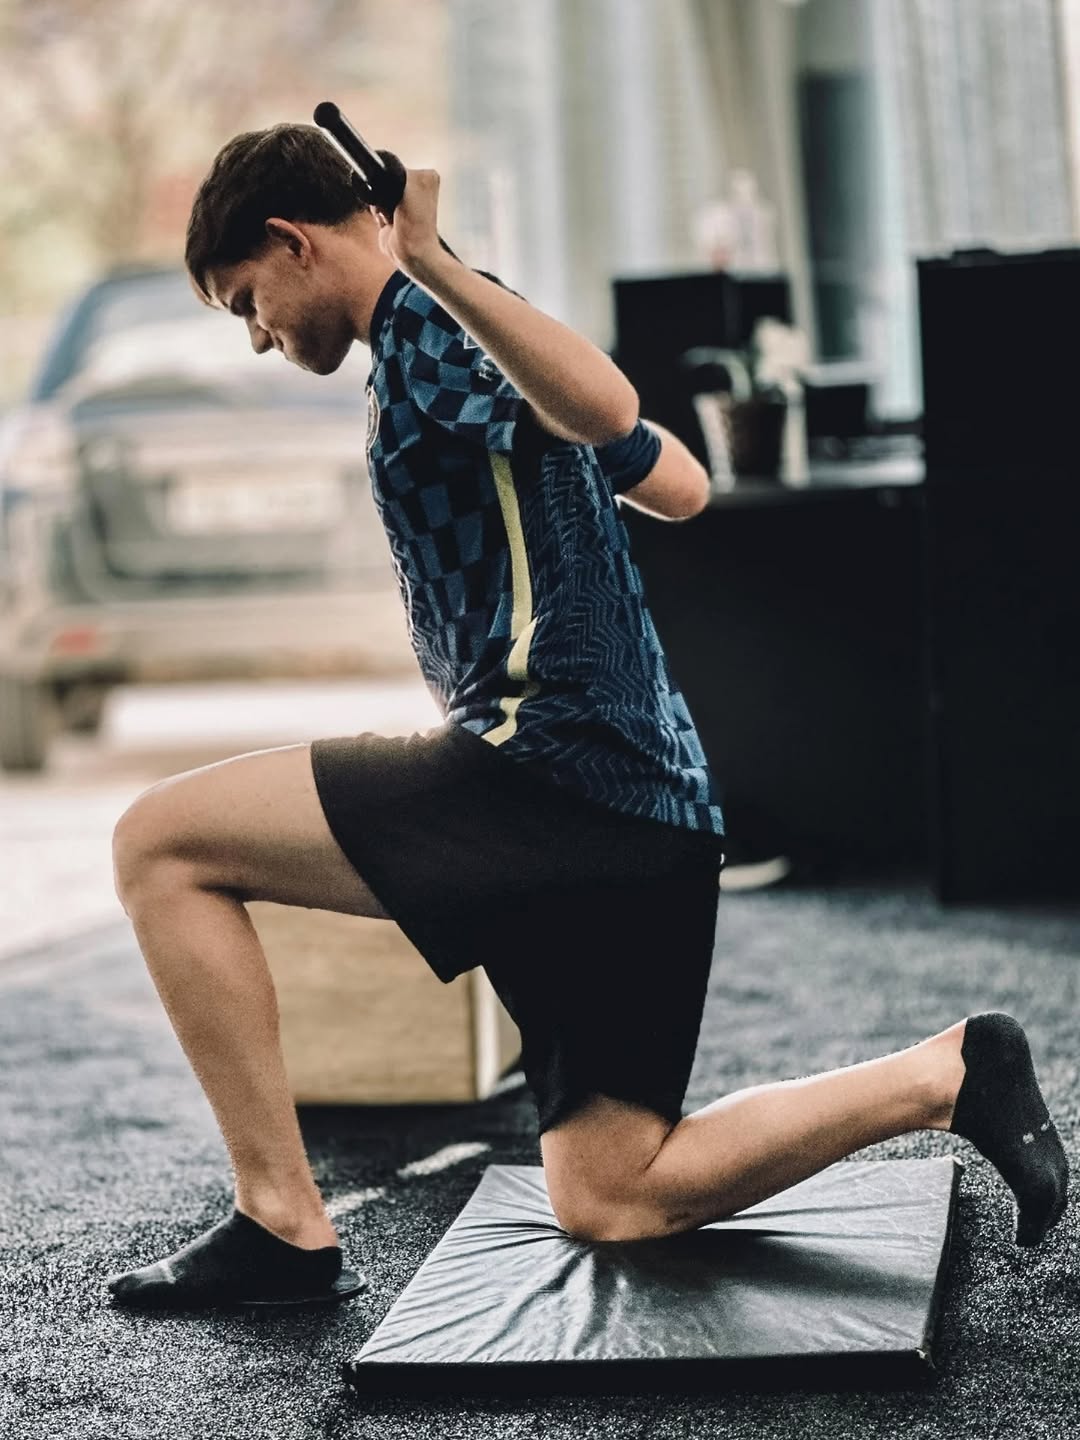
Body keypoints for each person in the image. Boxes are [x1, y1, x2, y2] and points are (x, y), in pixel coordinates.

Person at [106, 125, 1067, 1309]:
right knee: (614, 1193)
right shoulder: (482, 346)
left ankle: (280, 1224)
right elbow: (680, 482)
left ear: (292, 241)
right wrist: (473, 304)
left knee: (158, 843)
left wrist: (435, 266)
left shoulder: (427, 325)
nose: (256, 335)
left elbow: (611, 409)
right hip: (648, 815)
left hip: (542, 770)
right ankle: (951, 1075)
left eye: (247, 302)